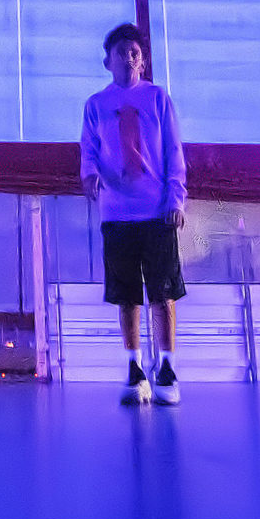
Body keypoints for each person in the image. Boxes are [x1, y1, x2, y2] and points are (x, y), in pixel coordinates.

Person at [79, 23, 186, 408]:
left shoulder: (158, 98)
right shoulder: (96, 105)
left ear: (143, 59)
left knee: (164, 292)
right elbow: (88, 149)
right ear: (107, 61)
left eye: (135, 51)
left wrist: (176, 200)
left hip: (157, 211)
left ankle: (168, 367)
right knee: (127, 296)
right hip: (117, 212)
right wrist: (89, 175)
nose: (129, 57)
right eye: (121, 51)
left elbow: (174, 151)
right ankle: (134, 367)